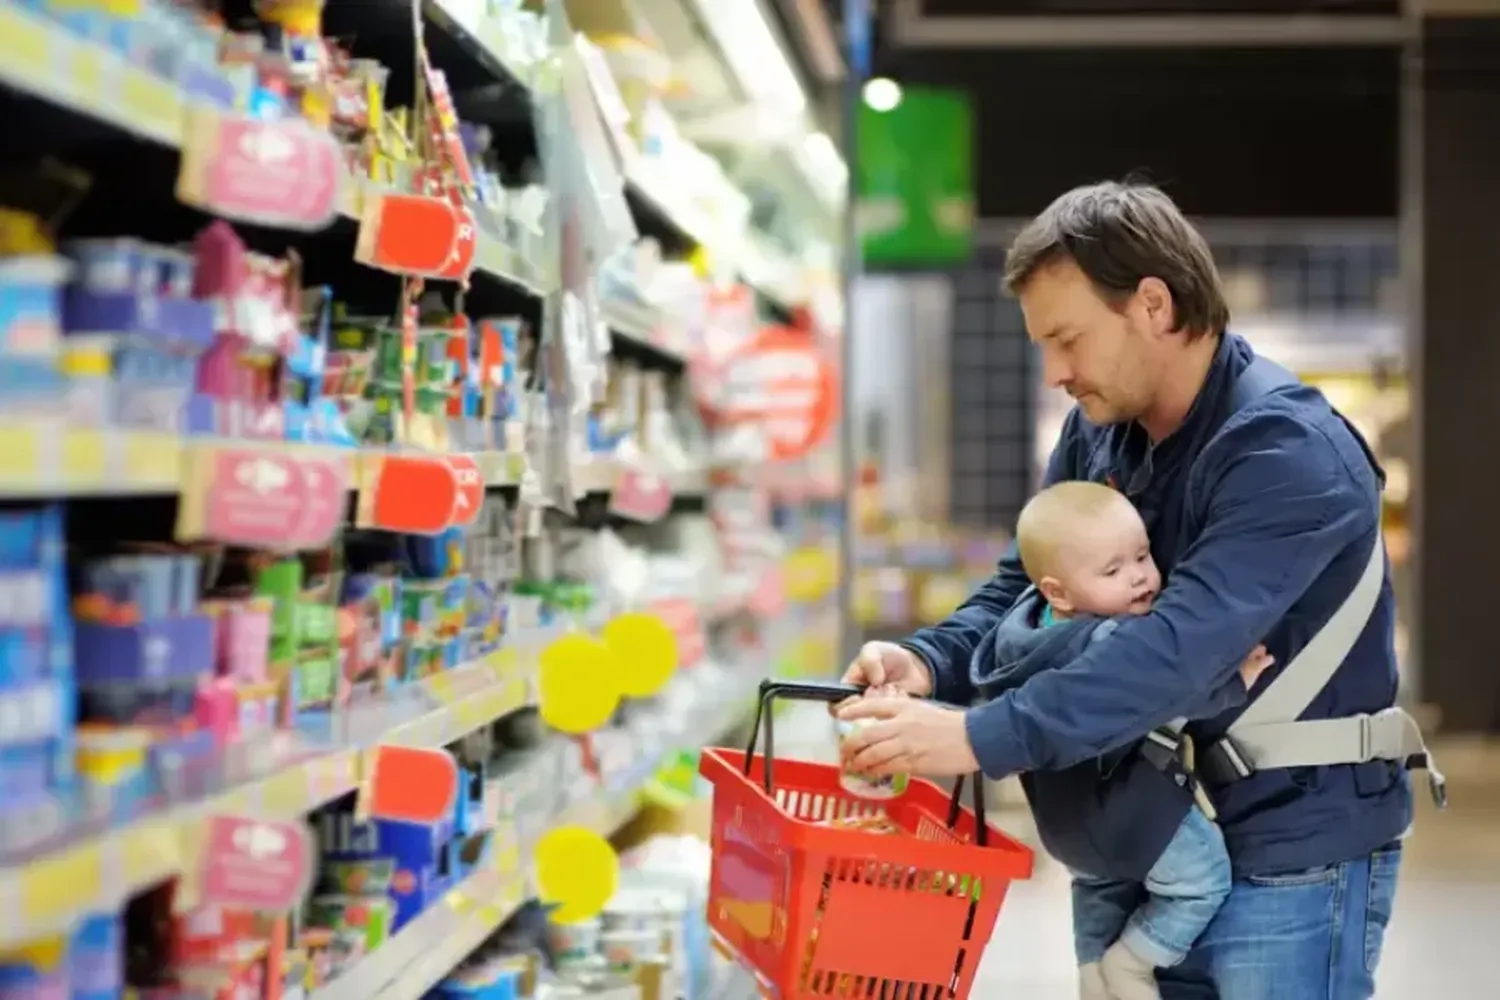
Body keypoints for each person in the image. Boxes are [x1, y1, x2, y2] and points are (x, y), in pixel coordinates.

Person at [836, 181, 1435, 1000]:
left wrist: (977, 738)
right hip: (1147, 836)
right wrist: (926, 663)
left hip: (1290, 854)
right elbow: (1027, 587)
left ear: (1152, 303)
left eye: (1068, 339)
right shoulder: (1101, 433)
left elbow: (1177, 652)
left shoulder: (1286, 453)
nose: (1054, 373)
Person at [965, 479, 1269, 999]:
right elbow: (1168, 692)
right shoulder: (1113, 639)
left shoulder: (1016, 636)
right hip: (1137, 817)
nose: (1139, 579)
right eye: (1112, 570)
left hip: (1065, 829)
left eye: (1143, 556)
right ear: (1056, 591)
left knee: (1095, 889)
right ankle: (1132, 962)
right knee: (1204, 882)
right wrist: (1233, 684)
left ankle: (1092, 976)